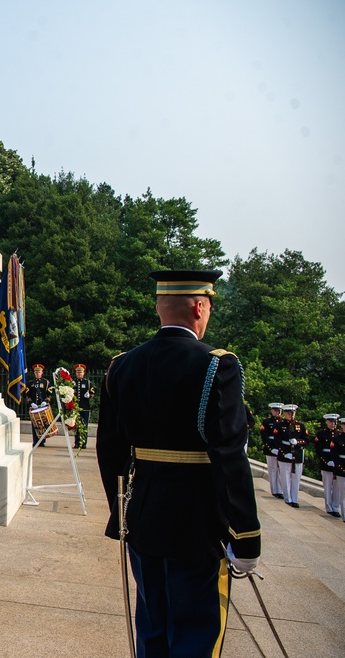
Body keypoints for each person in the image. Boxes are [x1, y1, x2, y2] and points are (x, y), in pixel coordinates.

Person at [97, 269, 260, 657]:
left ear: (159, 307)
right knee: (194, 629)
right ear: (200, 307)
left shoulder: (122, 365)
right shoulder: (217, 365)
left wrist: (121, 514)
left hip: (142, 516)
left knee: (152, 624)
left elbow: (110, 451)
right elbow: (230, 454)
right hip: (196, 521)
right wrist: (245, 534)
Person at [276, 404, 308, 508]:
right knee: (285, 478)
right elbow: (277, 440)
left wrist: (298, 442)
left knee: (296, 479)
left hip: (297, 455)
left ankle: (295, 499)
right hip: (285, 453)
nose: (291, 415)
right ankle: (287, 498)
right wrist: (284, 453)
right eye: (288, 413)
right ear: (284, 413)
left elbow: (307, 440)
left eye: (292, 413)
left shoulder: (300, 425)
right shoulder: (280, 425)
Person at [315, 414, 340, 516]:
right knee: (328, 486)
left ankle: (335, 507)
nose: (333, 423)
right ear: (326, 422)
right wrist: (325, 461)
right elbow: (319, 450)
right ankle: (329, 507)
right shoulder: (321, 434)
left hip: (337, 464)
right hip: (326, 463)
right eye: (330, 421)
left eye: (334, 421)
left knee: (337, 488)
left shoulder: (339, 434)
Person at [260, 402, 284, 498]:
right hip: (271, 447)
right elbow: (264, 437)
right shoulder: (266, 421)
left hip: (280, 448)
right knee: (272, 470)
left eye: (279, 410)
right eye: (275, 410)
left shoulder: (283, 422)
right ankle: (274, 490)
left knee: (280, 470)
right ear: (272, 411)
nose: (277, 412)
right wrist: (270, 448)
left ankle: (280, 490)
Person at [26, 364, 51, 446]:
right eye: (36, 372)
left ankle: (42, 441)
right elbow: (27, 395)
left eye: (39, 372)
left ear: (42, 372)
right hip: (34, 406)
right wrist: (31, 403)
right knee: (35, 424)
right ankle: (36, 441)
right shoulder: (30, 383)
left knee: (43, 424)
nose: (37, 373)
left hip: (42, 406)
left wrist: (46, 401)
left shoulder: (46, 382)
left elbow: (50, 394)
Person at [72, 364, 92, 449]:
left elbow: (92, 391)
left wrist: (89, 395)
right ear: (76, 373)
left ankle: (83, 443)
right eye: (78, 372)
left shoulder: (87, 382)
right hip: (75, 407)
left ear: (84, 373)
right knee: (76, 426)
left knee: (84, 425)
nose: (79, 374)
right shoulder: (72, 382)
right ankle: (77, 442)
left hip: (85, 407)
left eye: (81, 372)